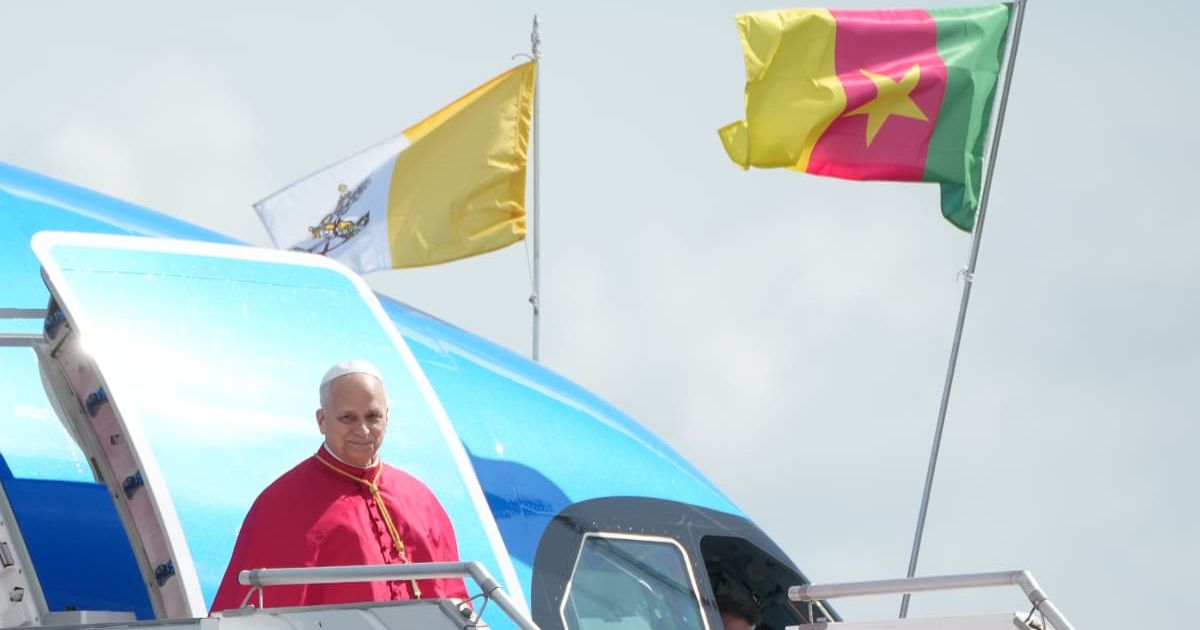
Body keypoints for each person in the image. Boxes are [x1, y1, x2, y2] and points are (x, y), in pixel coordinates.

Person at [209, 360, 469, 612]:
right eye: (348, 418)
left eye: (373, 416)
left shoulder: (421, 501)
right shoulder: (280, 504)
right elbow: (252, 611)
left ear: (387, 417)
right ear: (322, 420)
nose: (363, 430)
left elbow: (454, 600)